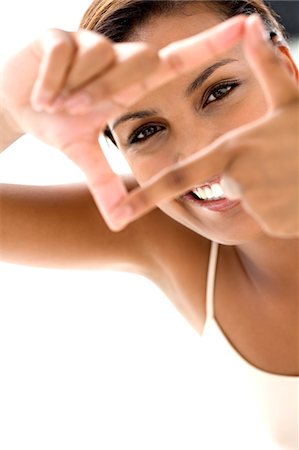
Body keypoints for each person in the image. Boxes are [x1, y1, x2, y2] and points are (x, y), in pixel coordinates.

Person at [0, 0, 298, 447]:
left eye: (219, 91)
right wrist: (6, 114)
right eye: (144, 132)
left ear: (285, 68)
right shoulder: (164, 234)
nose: (197, 152)